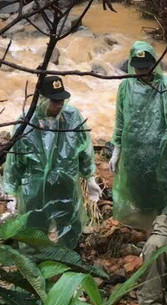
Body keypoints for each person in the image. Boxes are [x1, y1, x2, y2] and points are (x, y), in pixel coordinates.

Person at [2, 76, 100, 248]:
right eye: (55, 101)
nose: (59, 105)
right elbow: (16, 160)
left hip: (65, 183)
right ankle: (36, 265)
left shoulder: (72, 117)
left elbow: (83, 147)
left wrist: (89, 177)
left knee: (69, 223)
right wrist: (11, 192)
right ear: (42, 99)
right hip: (35, 187)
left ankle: (69, 260)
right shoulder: (27, 123)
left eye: (62, 100)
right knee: (35, 227)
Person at [110, 41, 167, 231]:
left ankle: (162, 227)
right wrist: (116, 150)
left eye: (146, 67)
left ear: (154, 64)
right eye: (138, 68)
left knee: (161, 188)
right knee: (135, 188)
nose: (142, 71)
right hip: (133, 151)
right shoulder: (126, 87)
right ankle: (139, 227)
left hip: (162, 153)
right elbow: (121, 119)